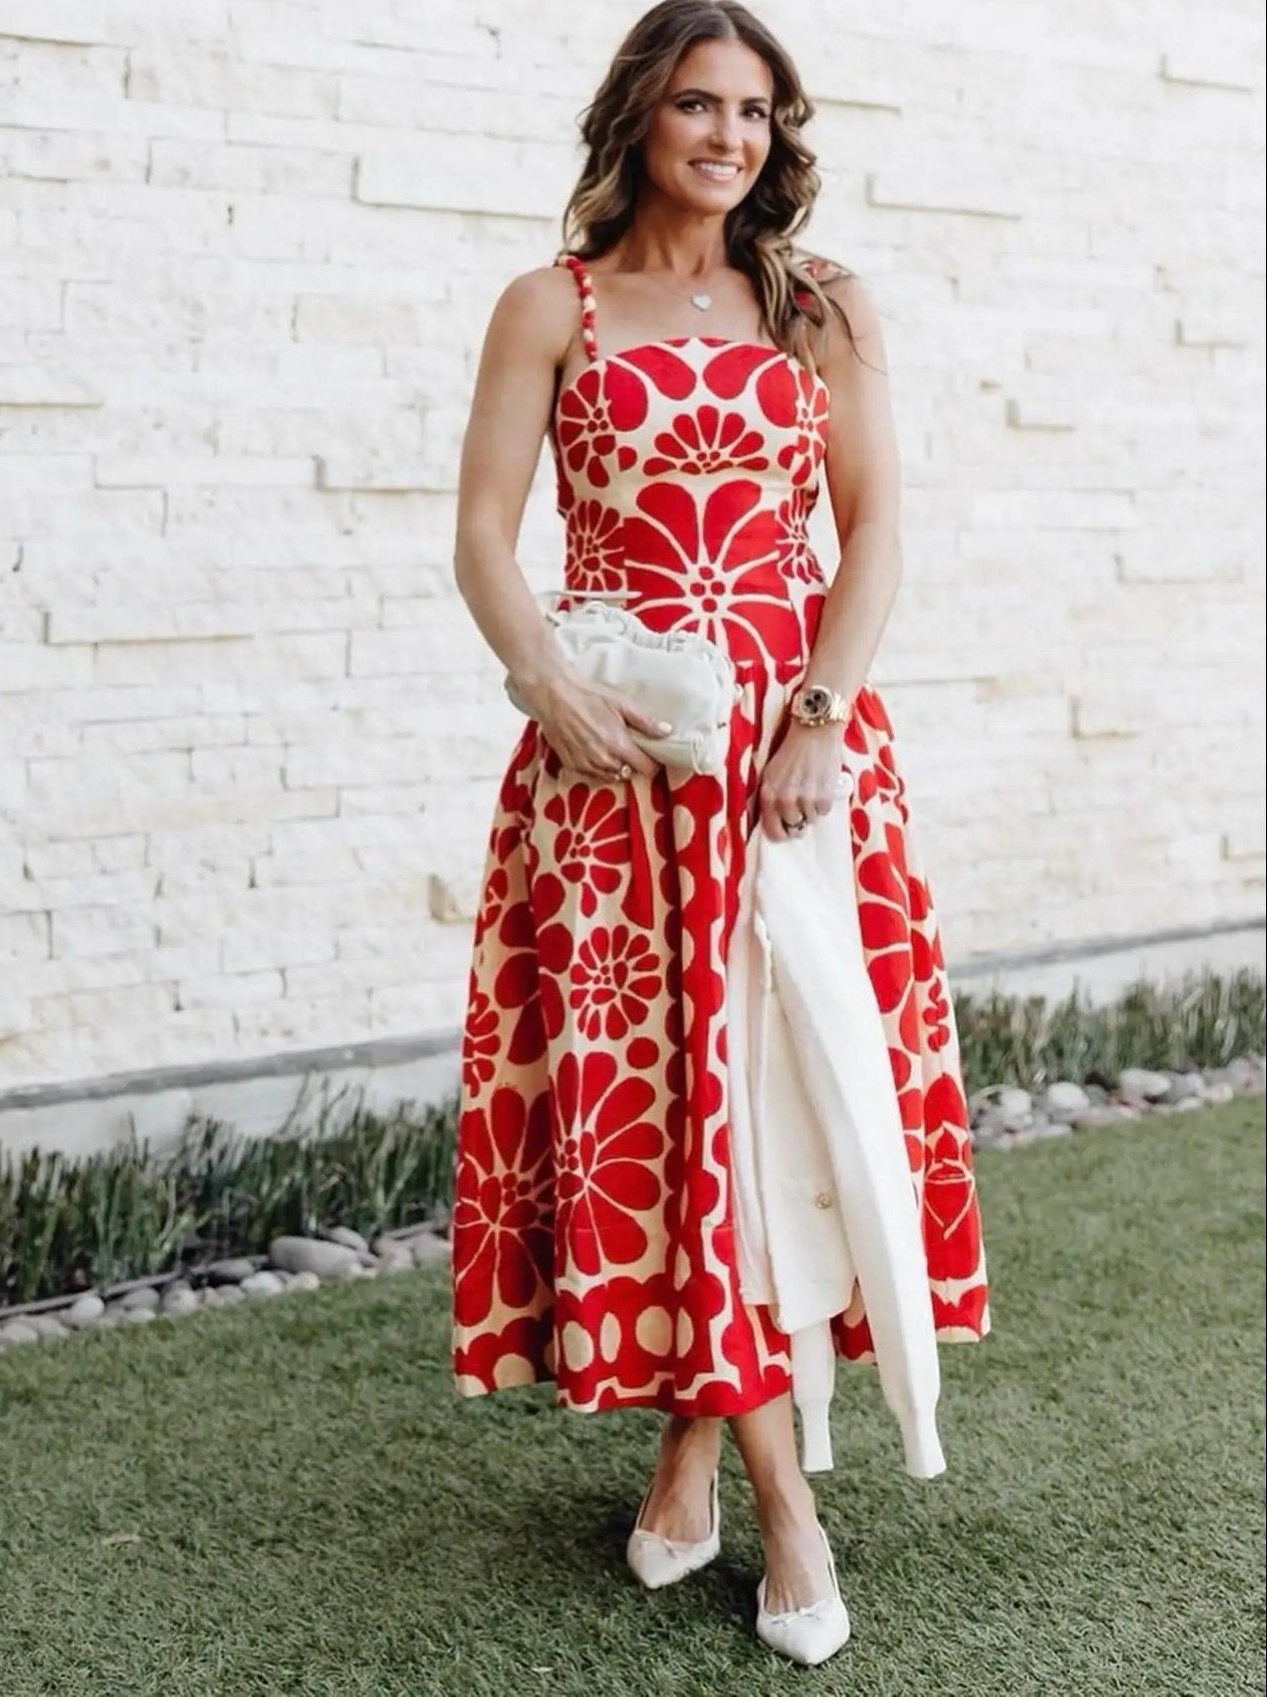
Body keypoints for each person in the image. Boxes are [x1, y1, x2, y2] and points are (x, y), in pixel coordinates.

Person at [449, 0, 990, 1667]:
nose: (730, 136)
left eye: (755, 110)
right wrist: (547, 683)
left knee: (774, 1111)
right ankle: (781, 1498)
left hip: (790, 765)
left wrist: (820, 717)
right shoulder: (554, 304)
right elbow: (480, 535)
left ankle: (706, 1446)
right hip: (611, 767)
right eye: (698, 103)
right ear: (639, 116)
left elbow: (877, 531)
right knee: (671, 1109)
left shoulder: (819, 307)